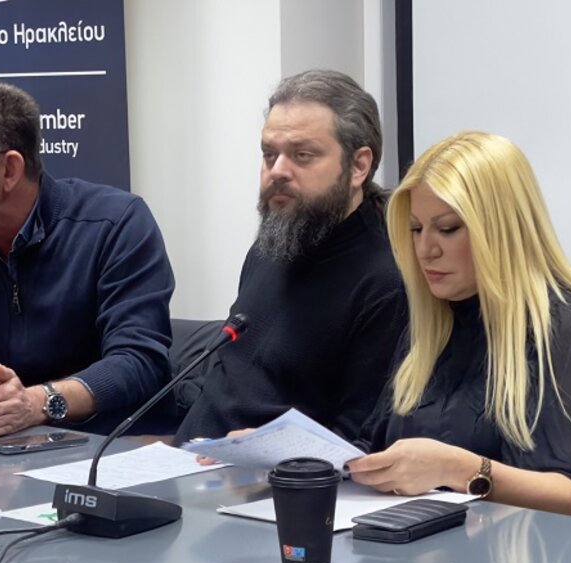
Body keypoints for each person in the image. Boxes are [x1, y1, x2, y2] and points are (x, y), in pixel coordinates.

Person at [347, 131, 571, 526]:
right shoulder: (432, 327)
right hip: (443, 553)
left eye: (447, 229)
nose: (426, 249)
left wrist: (459, 469)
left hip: (557, 559)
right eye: (415, 229)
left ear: (501, 230)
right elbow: (379, 446)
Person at [0, 79, 175, 438]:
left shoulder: (115, 223)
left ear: (9, 170)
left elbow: (138, 360)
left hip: (107, 445)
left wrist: (38, 403)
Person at [174, 70, 407, 444]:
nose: (278, 171)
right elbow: (226, 385)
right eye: (269, 154)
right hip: (190, 461)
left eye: (302, 155)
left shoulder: (387, 282)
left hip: (268, 475)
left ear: (359, 166)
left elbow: (361, 444)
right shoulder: (271, 246)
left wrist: (268, 451)